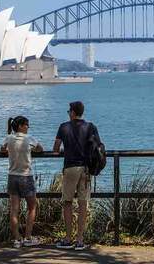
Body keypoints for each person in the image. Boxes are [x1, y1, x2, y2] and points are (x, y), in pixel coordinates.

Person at [53, 101, 101, 250]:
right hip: (85, 169)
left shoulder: (64, 127)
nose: (68, 114)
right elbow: (97, 147)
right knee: (83, 204)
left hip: (70, 167)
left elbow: (55, 148)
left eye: (69, 111)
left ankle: (68, 238)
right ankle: (80, 240)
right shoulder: (90, 127)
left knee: (67, 202)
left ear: (73, 112)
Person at [1, 115, 43, 248]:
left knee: (14, 210)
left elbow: (2, 149)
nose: (28, 127)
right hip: (26, 177)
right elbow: (40, 148)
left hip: (12, 176)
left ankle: (17, 239)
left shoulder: (9, 138)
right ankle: (28, 237)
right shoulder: (29, 138)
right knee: (32, 207)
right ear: (20, 126)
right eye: (26, 125)